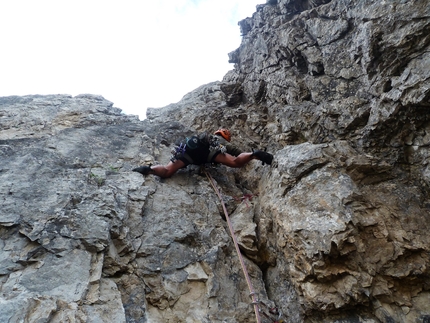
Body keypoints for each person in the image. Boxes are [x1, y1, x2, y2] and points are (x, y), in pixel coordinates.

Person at [132, 128, 273, 179]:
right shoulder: (218, 141)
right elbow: (236, 154)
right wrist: (247, 155)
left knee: (168, 171)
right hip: (208, 153)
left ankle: (148, 170)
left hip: (188, 152)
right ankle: (256, 154)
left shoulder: (205, 136)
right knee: (235, 163)